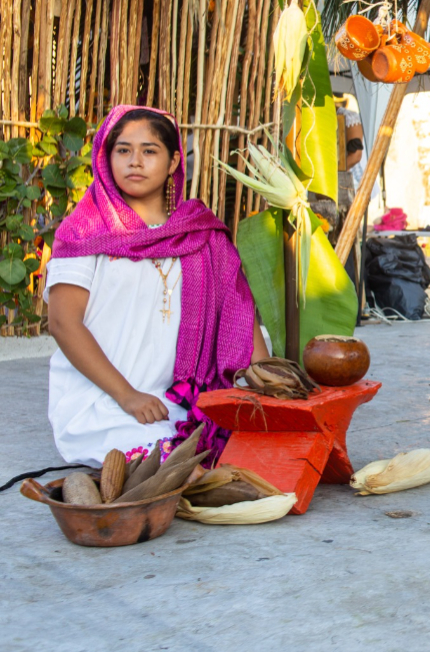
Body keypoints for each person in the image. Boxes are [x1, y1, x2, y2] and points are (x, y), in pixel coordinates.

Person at [45, 106, 270, 467]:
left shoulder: (201, 234)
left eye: (149, 151)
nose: (135, 161)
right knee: (173, 464)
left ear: (172, 162)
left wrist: (271, 389)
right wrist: (128, 396)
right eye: (123, 150)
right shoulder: (85, 232)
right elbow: (62, 323)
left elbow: (239, 319)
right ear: (106, 158)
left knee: (250, 454)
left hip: (185, 400)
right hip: (104, 402)